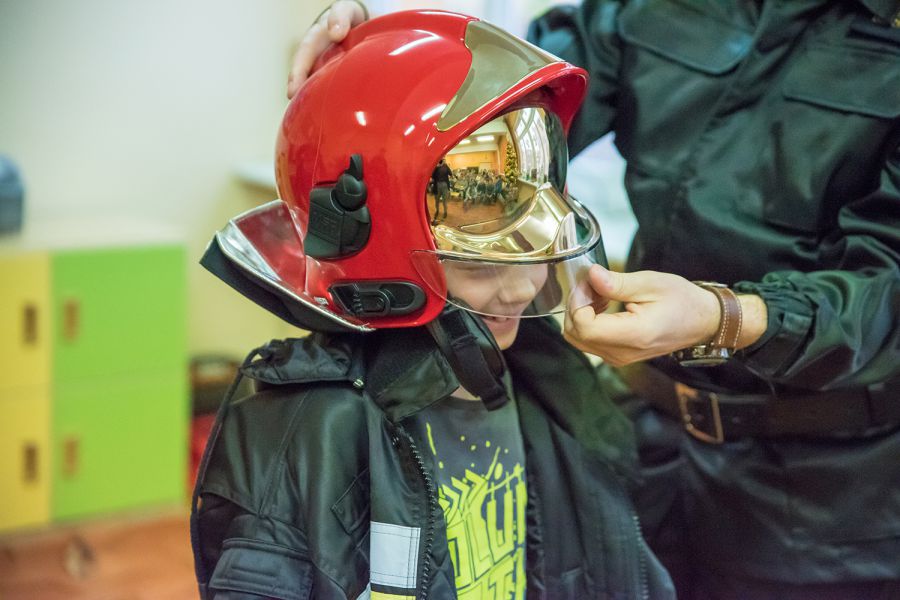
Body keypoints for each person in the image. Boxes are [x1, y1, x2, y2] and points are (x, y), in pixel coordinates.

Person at [292, 2, 900, 599]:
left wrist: (725, 318)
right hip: (640, 441)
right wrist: (381, 63)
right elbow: (502, 106)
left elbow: (887, 286)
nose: (521, 288)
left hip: (824, 497)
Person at [192, 11, 674, 600]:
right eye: (482, 263)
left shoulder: (544, 381)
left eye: (533, 253)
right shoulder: (309, 435)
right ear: (376, 259)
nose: (523, 289)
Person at [431, 158, 452, 222]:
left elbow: (450, 173)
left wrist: (447, 167)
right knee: (437, 200)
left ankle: (445, 212)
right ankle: (437, 211)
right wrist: (436, 167)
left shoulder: (446, 166)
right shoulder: (436, 166)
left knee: (444, 200)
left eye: (443, 160)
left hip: (445, 185)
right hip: (437, 185)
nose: (442, 161)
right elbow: (432, 175)